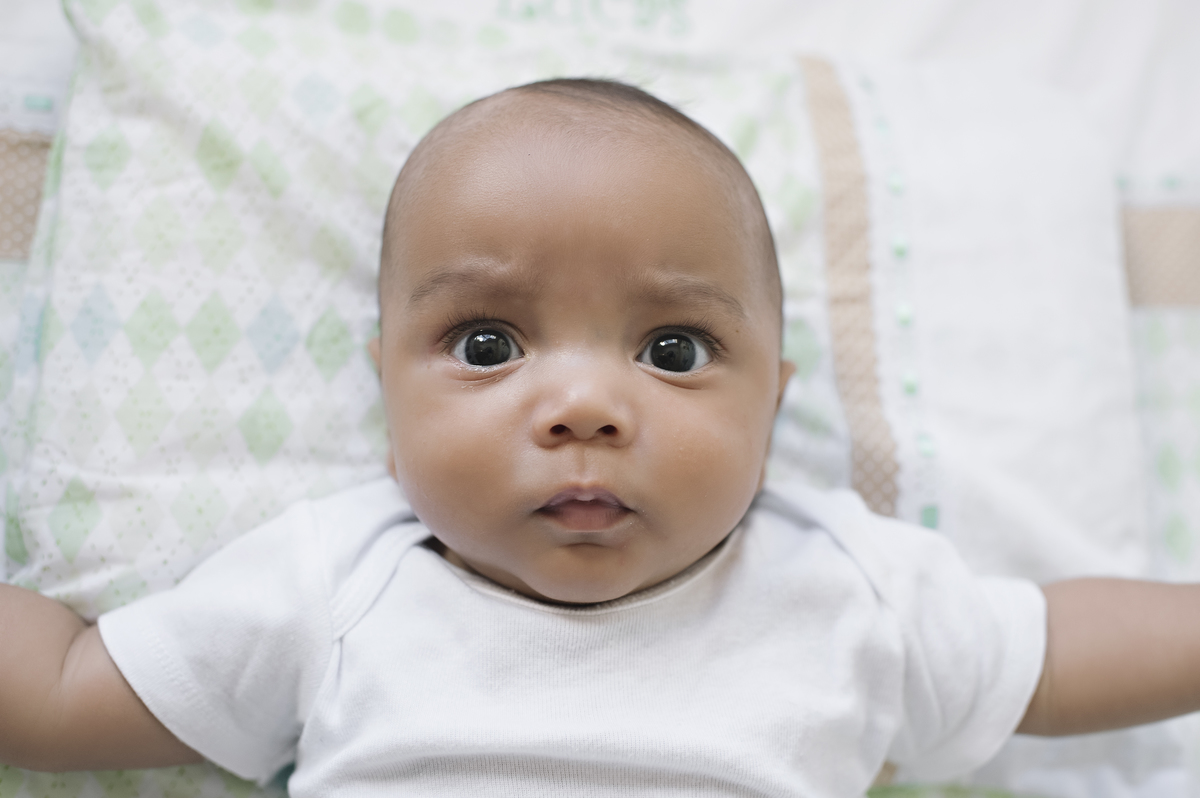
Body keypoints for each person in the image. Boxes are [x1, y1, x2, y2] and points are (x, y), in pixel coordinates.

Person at [2, 77, 1199, 796]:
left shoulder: (841, 584)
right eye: (485, 345)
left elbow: (1050, 651)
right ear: (388, 406)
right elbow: (61, 695)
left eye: (672, 351)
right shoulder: (334, 580)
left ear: (771, 411)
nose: (584, 407)